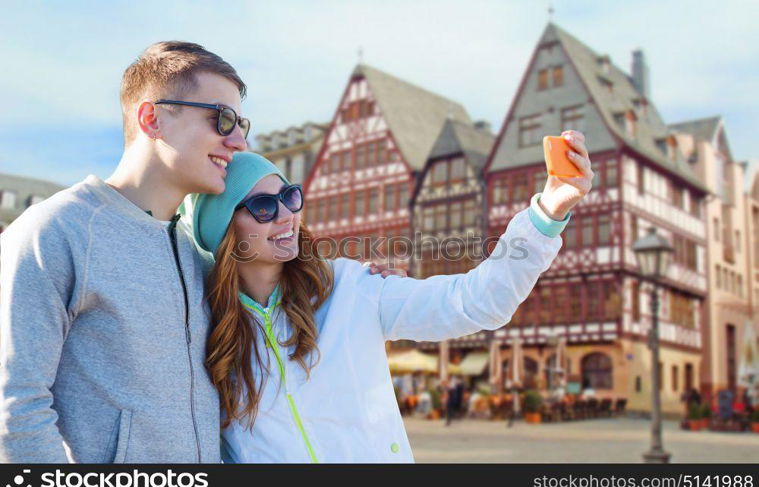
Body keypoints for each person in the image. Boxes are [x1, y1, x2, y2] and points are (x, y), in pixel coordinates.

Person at [0, 40, 406, 464]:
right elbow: (15, 405)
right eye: (222, 119)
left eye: (242, 124)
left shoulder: (197, 255)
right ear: (152, 118)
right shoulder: (54, 232)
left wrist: (347, 282)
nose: (239, 143)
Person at [191, 129, 591, 462]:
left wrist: (547, 216)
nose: (285, 215)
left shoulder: (350, 288)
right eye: (263, 206)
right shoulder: (203, 324)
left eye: (289, 197)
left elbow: (474, 302)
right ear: (223, 231)